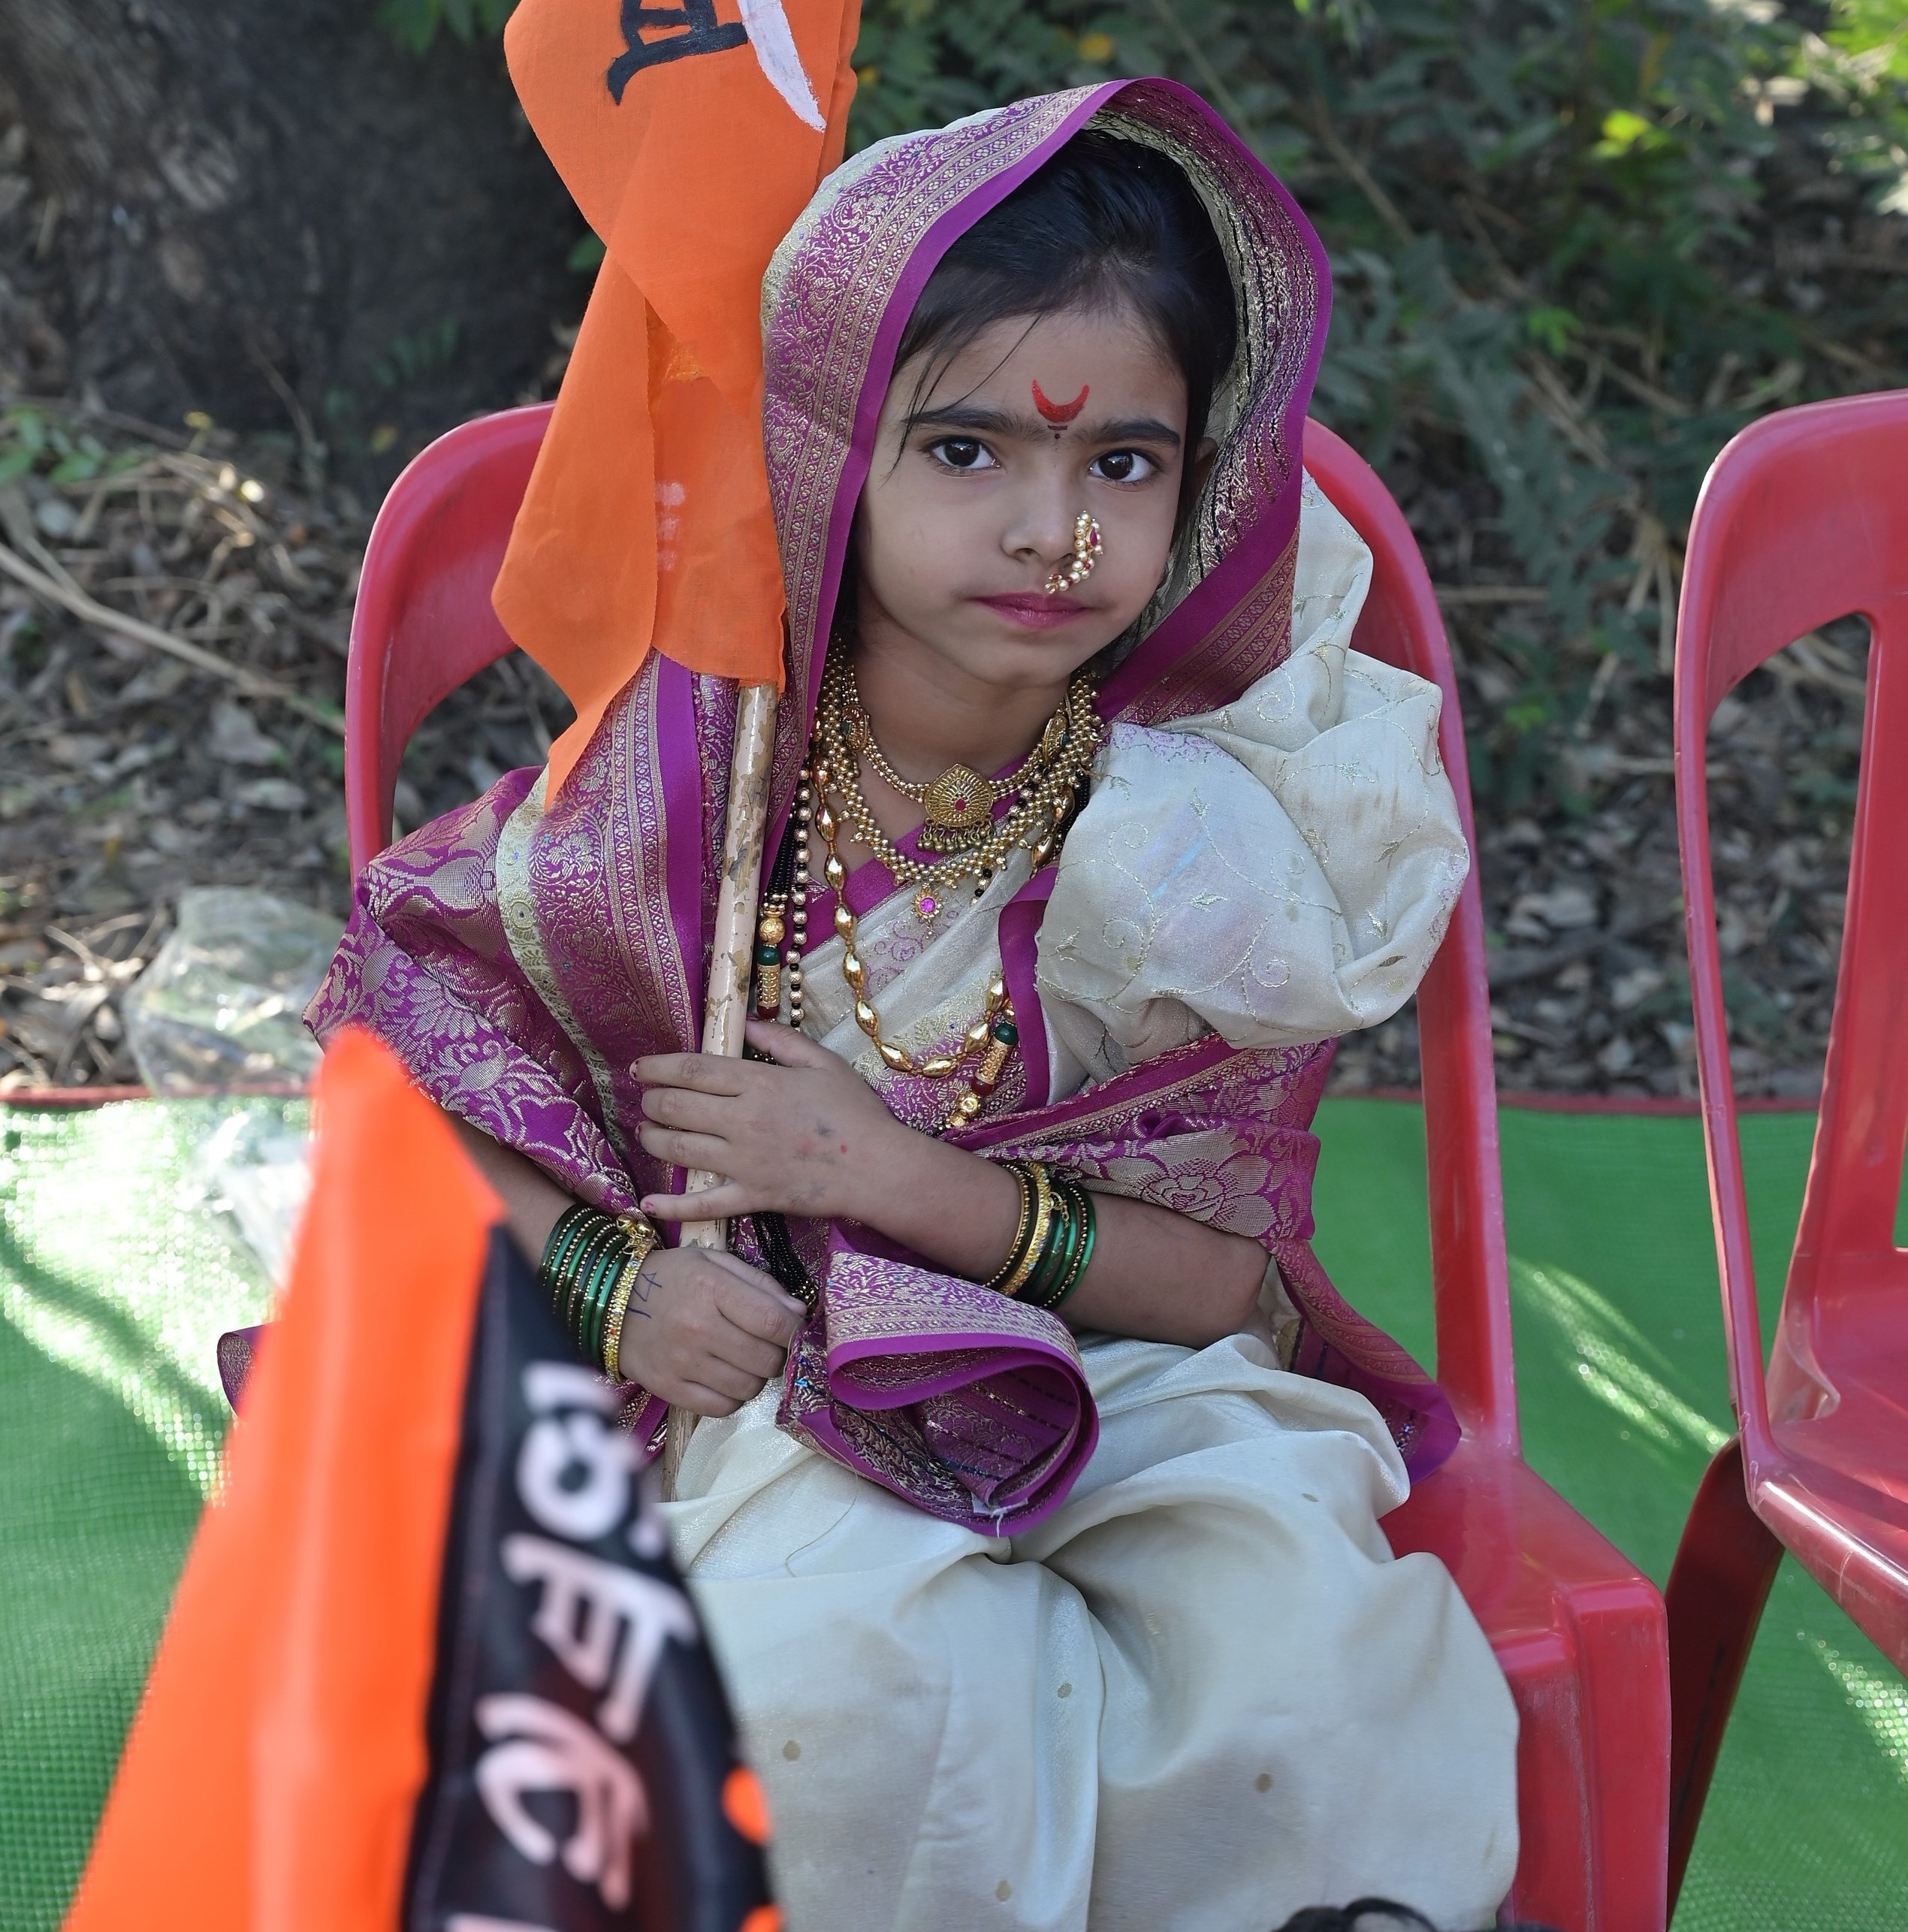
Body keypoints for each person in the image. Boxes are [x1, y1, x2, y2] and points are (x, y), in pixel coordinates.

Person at [310, 79, 1519, 1932]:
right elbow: (403, 1079)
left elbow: (1224, 1288)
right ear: (827, 455)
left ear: (1203, 481)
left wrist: (883, 1174)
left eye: (1123, 464)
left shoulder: (1209, 840)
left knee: (1312, 1673)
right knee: (853, 1691)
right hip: (757, 1388)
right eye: (967, 450)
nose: (1054, 531)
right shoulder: (689, 791)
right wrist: (615, 1288)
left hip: (1133, 1384)